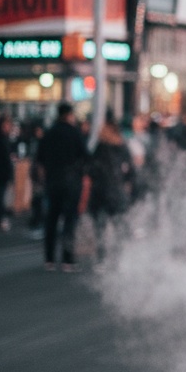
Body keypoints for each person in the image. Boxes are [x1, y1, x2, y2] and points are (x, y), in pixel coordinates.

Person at [36, 102, 89, 271]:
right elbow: (85, 156)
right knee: (69, 221)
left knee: (51, 219)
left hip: (53, 181)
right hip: (71, 182)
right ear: (69, 115)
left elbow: (40, 158)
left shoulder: (49, 133)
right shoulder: (74, 133)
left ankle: (49, 259)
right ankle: (67, 259)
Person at [88, 111, 135, 260]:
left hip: (99, 192)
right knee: (119, 227)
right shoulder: (122, 147)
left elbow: (91, 169)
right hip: (117, 192)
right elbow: (131, 170)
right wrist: (127, 183)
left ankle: (102, 258)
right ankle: (119, 257)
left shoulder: (99, 148)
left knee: (100, 229)